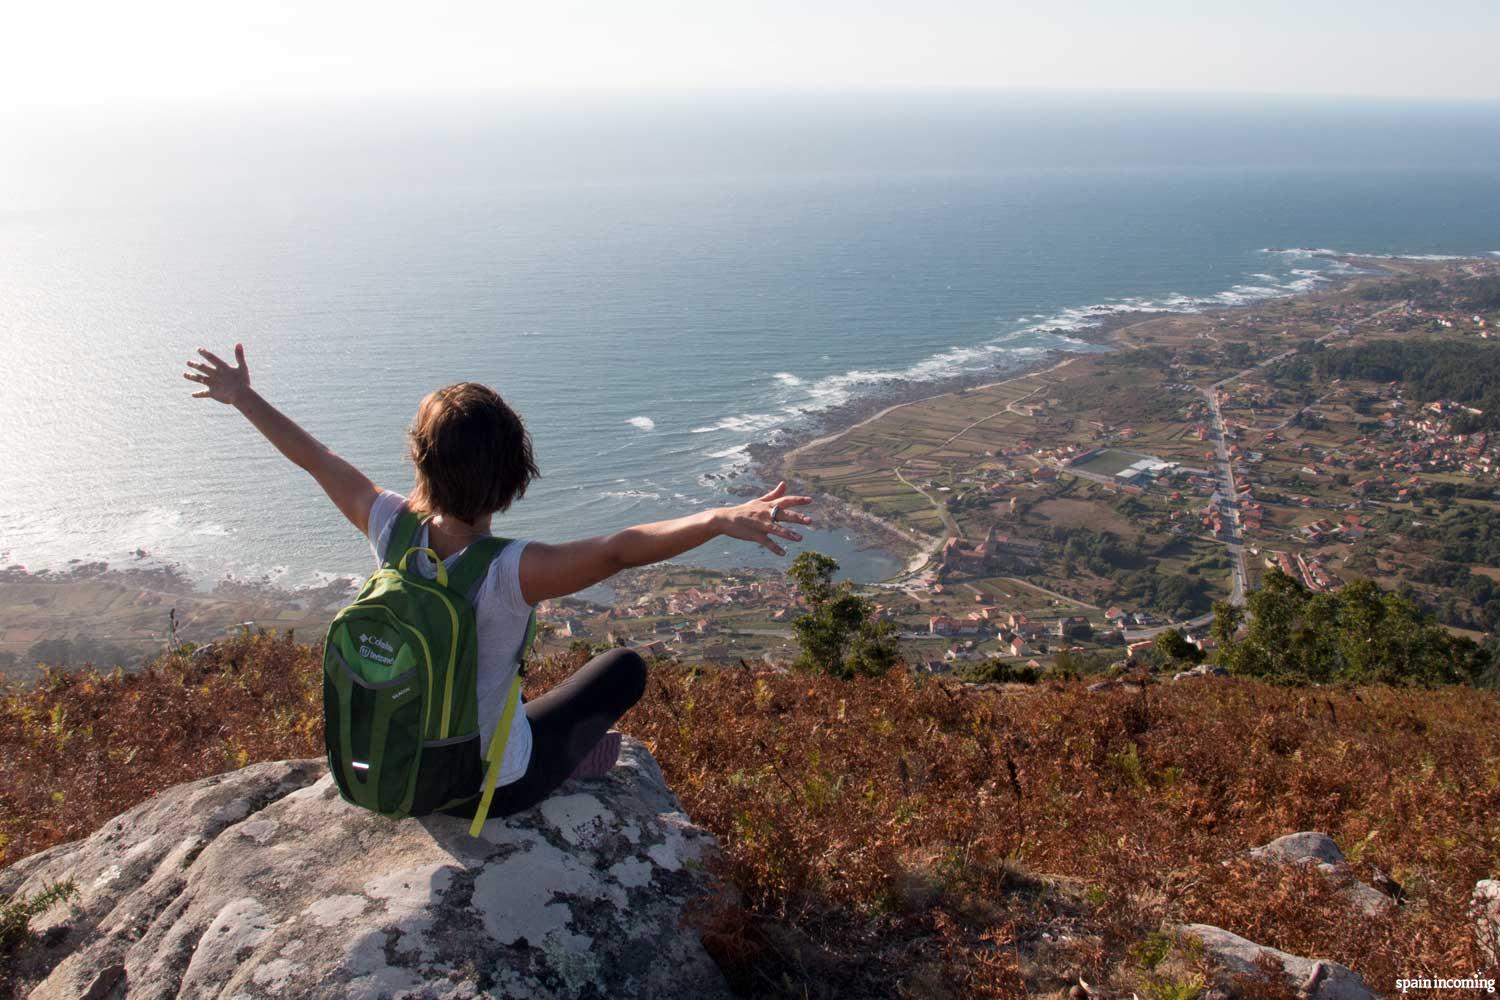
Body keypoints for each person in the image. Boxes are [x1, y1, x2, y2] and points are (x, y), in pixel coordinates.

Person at [182, 343, 813, 816]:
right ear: (514, 476)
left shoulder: (387, 527)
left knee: (527, 704)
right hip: (484, 792)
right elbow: (621, 550)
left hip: (394, 775)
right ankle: (575, 763)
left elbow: (315, 458)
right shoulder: (512, 571)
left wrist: (242, 396)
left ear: (418, 459)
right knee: (622, 670)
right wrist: (721, 517)